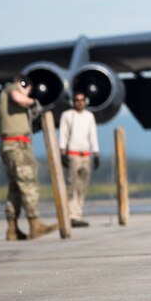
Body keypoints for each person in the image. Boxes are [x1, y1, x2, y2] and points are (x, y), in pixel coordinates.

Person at [0, 73, 57, 240]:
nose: (29, 94)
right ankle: (35, 224)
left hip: (9, 145)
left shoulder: (5, 94)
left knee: (15, 187)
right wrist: (33, 103)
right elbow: (18, 97)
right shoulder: (13, 88)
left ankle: (12, 229)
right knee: (28, 183)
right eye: (29, 90)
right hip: (17, 146)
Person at [59, 92, 100, 228]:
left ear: (85, 101)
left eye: (82, 100)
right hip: (73, 153)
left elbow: (92, 134)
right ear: (73, 101)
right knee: (72, 185)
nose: (80, 102)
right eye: (77, 100)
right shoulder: (67, 115)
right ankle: (70, 215)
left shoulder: (89, 116)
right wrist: (62, 151)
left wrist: (96, 152)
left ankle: (78, 212)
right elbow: (63, 134)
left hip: (86, 154)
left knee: (82, 186)